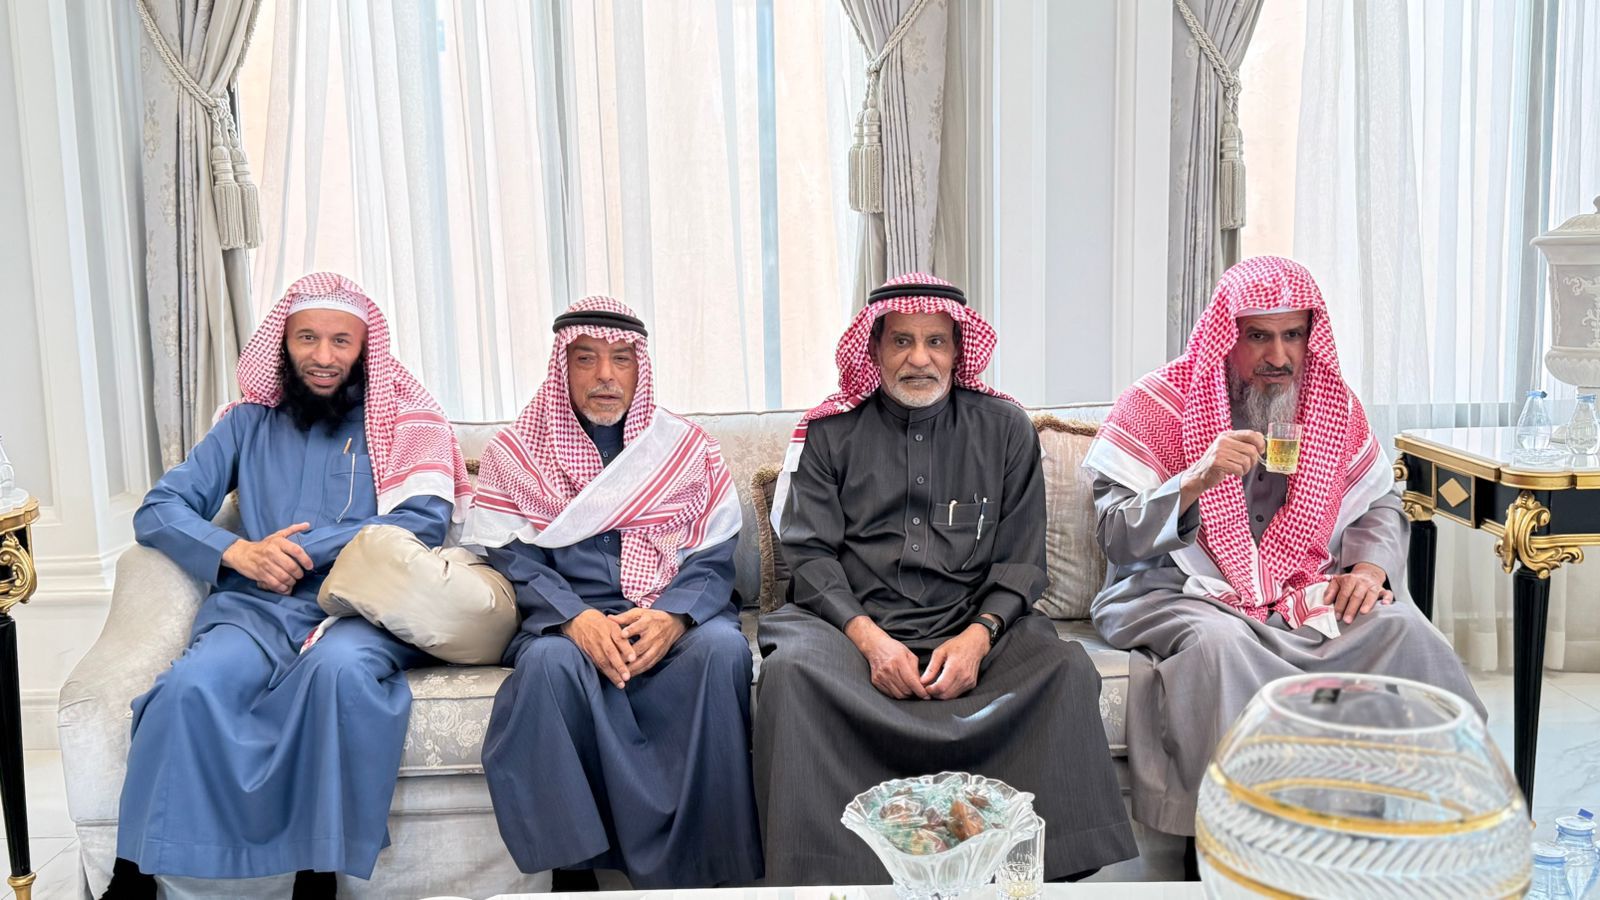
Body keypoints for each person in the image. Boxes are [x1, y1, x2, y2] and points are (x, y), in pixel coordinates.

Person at [1084, 255, 1485, 858]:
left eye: (1293, 335)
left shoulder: (1329, 404)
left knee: (1405, 630)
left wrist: (1368, 568)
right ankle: (1233, 840)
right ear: (1226, 337)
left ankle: (1439, 827)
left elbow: (1377, 502)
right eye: (1258, 337)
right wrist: (1194, 479)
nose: (1278, 356)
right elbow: (1117, 536)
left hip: (1298, 590)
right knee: (1221, 648)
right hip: (1177, 592)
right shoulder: (1156, 404)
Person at [754, 273, 1138, 885]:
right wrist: (870, 641)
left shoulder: (1005, 429)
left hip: (970, 620)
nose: (919, 358)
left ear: (959, 351)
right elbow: (812, 555)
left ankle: (1021, 878)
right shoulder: (830, 433)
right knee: (790, 675)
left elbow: (1021, 561)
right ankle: (836, 880)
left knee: (1066, 669)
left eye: (935, 341)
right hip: (851, 628)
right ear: (874, 349)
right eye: (901, 341)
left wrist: (978, 638)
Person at [102, 273, 472, 899]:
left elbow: (423, 519)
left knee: (336, 676)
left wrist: (302, 550)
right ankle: (132, 875)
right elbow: (159, 509)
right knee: (188, 688)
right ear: (283, 343)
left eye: (340, 341)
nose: (323, 356)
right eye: (307, 338)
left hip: (362, 609)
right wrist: (237, 551)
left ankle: (316, 874)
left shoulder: (403, 420)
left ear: (364, 349)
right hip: (257, 609)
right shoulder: (246, 423)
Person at [467, 296, 761, 890]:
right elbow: (512, 559)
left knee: (723, 651)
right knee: (549, 666)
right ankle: (574, 875)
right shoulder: (516, 453)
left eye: (621, 359)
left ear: (638, 367)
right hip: (567, 623)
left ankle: (710, 872)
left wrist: (674, 618)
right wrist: (574, 619)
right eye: (586, 358)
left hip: (670, 613)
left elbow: (713, 554)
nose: (605, 375)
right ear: (563, 365)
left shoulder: (686, 450)